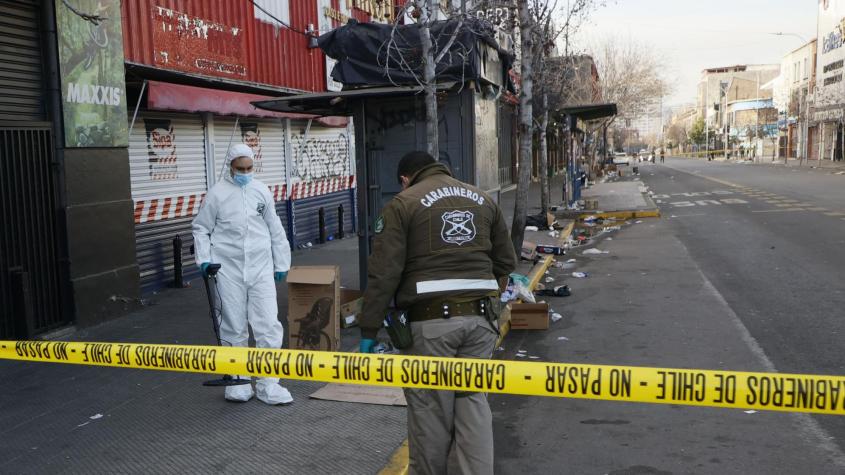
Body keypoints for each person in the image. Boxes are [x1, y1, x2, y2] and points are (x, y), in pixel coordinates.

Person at [359, 151, 517, 475]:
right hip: (482, 322)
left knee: (430, 411)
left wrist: (368, 329)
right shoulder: (482, 198)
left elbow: (384, 274)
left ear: (405, 178)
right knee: (473, 405)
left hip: (430, 326)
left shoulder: (403, 204)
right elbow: (506, 262)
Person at [192, 144, 293, 405]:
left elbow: (275, 227)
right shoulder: (217, 195)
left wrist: (282, 262)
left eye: (249, 168)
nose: (245, 173)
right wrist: (204, 260)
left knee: (268, 324)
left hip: (260, 267)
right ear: (230, 167)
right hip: (227, 269)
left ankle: (269, 383)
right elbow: (201, 228)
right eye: (240, 169)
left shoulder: (261, 191)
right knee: (233, 325)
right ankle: (238, 381)